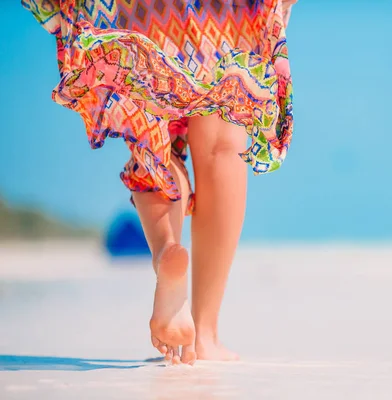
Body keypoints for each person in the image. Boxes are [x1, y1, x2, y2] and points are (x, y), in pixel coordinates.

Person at [22, 0, 296, 365]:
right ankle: (206, 336)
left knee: (154, 139)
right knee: (222, 143)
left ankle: (167, 248)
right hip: (227, 12)